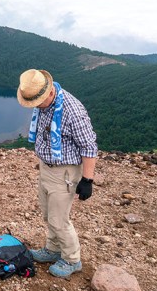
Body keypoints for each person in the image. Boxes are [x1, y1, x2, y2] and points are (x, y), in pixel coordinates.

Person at [17, 69, 98, 279]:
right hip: (47, 167)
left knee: (59, 219)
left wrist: (87, 180)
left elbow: (89, 146)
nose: (35, 106)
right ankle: (53, 249)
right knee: (48, 214)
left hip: (65, 172)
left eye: (37, 102)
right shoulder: (47, 105)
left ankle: (72, 259)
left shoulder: (72, 111)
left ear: (50, 92)